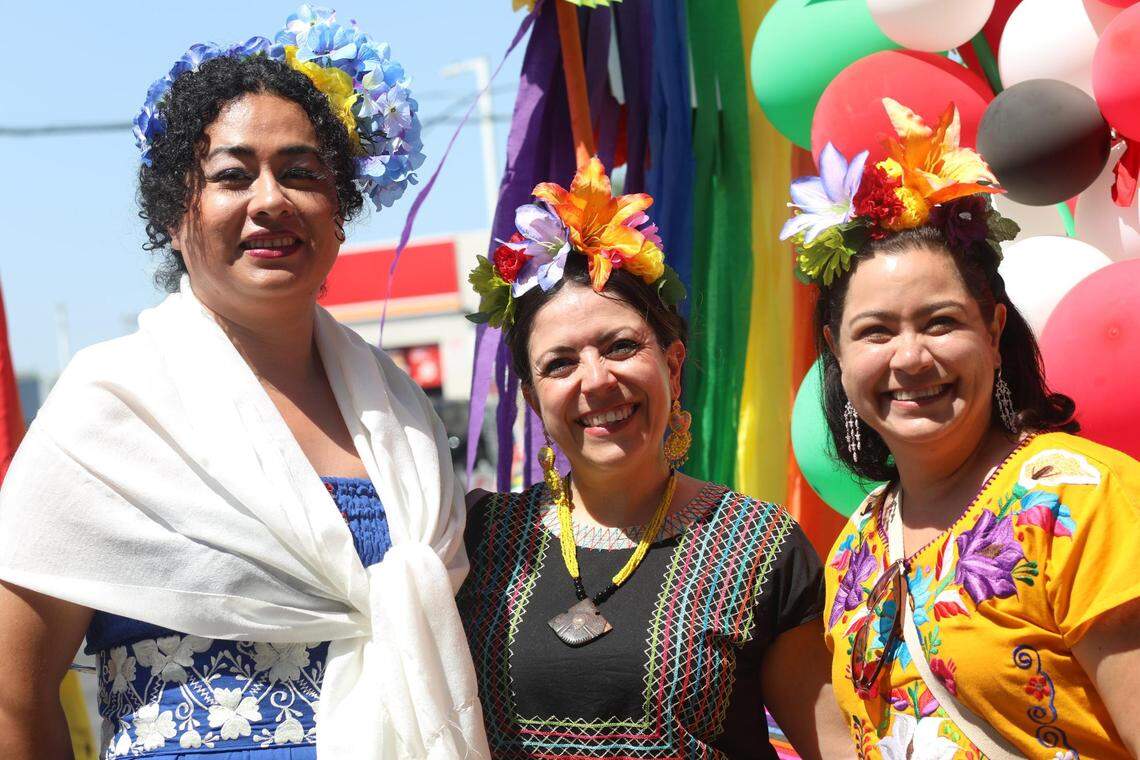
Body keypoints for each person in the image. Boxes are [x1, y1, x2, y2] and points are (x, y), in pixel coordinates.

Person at [0, 6, 489, 759]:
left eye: (301, 173)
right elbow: (14, 695)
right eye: (233, 175)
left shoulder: (402, 414)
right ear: (176, 217)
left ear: (340, 210)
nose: (271, 200)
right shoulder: (109, 407)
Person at [456, 157, 853, 759]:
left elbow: (836, 748)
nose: (596, 380)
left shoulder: (757, 546)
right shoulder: (480, 540)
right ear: (534, 400)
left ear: (672, 365)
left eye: (620, 346)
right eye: (560, 363)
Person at [783, 98, 1140, 757]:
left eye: (940, 322)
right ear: (836, 354)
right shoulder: (857, 544)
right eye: (876, 332)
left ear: (994, 332)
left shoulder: (1084, 500)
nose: (910, 358)